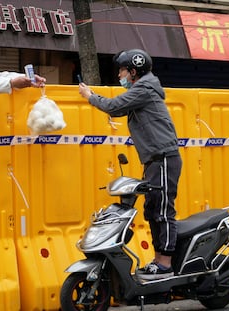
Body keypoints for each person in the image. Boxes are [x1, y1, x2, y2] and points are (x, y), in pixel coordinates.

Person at [78, 49, 182, 280]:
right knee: (153, 209)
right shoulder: (143, 89)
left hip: (163, 157)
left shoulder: (143, 89)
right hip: (155, 159)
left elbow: (114, 107)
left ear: (133, 72)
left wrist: (89, 95)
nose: (119, 75)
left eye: (122, 71)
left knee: (162, 210)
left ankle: (165, 264)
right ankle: (158, 261)